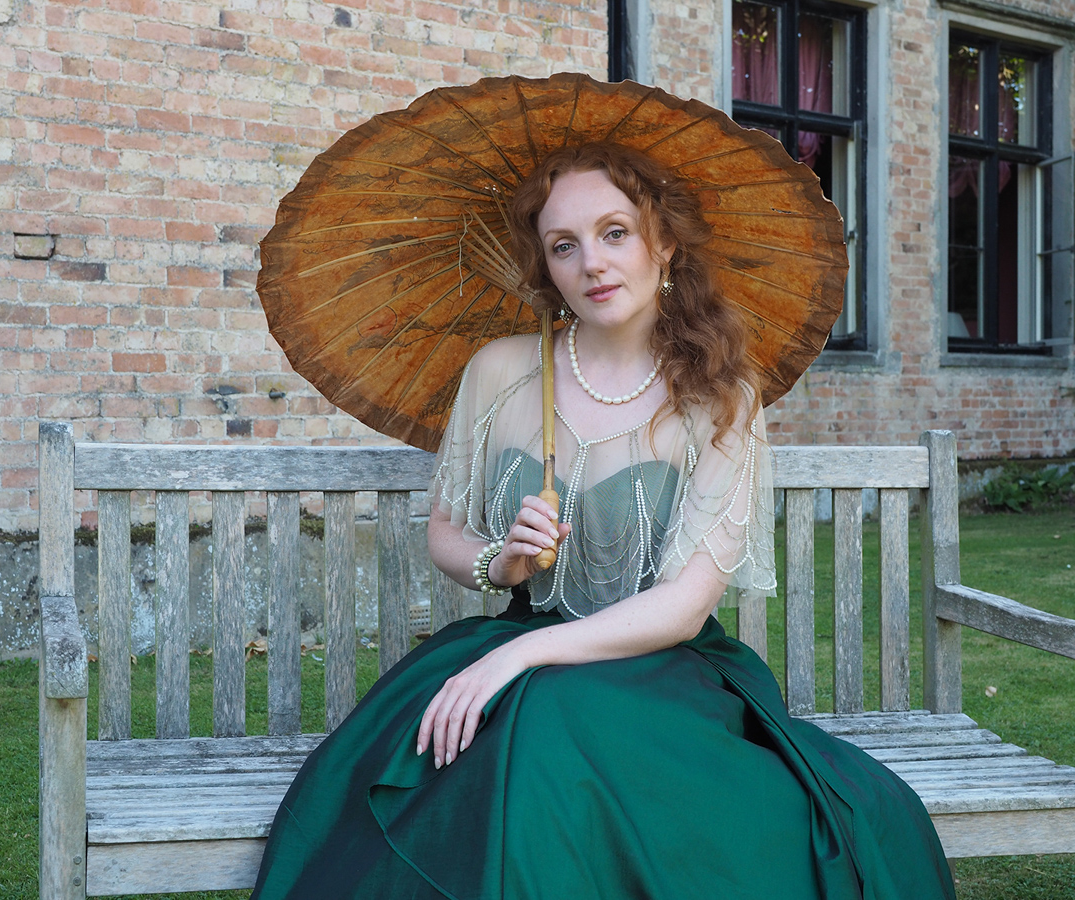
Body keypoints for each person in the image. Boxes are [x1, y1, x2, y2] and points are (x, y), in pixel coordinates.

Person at [250, 142, 957, 899]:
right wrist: (502, 561)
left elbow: (684, 607)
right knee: (467, 761)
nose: (592, 262)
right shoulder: (499, 369)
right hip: (521, 643)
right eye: (564, 245)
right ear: (546, 266)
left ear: (665, 243)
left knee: (546, 722)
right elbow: (445, 532)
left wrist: (517, 659)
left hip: (660, 669)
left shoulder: (722, 395)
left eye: (615, 232)